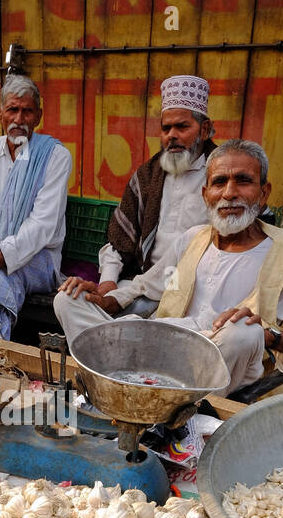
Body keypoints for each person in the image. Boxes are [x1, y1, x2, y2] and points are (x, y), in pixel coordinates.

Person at [64, 139, 283, 395]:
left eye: (243, 181)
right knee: (68, 299)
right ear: (206, 194)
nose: (229, 194)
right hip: (163, 348)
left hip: (221, 364)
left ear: (264, 192)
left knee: (243, 331)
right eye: (219, 182)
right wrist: (105, 299)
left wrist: (270, 337)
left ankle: (179, 408)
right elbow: (146, 287)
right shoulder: (192, 239)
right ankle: (110, 386)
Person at [54, 74, 214, 340]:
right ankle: (109, 357)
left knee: (150, 326)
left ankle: (114, 353)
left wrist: (118, 298)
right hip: (139, 288)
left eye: (182, 127)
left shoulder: (221, 178)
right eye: (166, 129)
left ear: (205, 129)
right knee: (66, 300)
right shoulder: (149, 175)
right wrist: (108, 282)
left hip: (192, 295)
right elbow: (119, 240)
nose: (171, 136)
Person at [0, 75, 72, 338]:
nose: (19, 119)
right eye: (12, 110)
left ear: (39, 115)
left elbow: (42, 226)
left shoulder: (55, 156)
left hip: (39, 257)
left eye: (27, 111)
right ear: (0, 113)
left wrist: (0, 255)